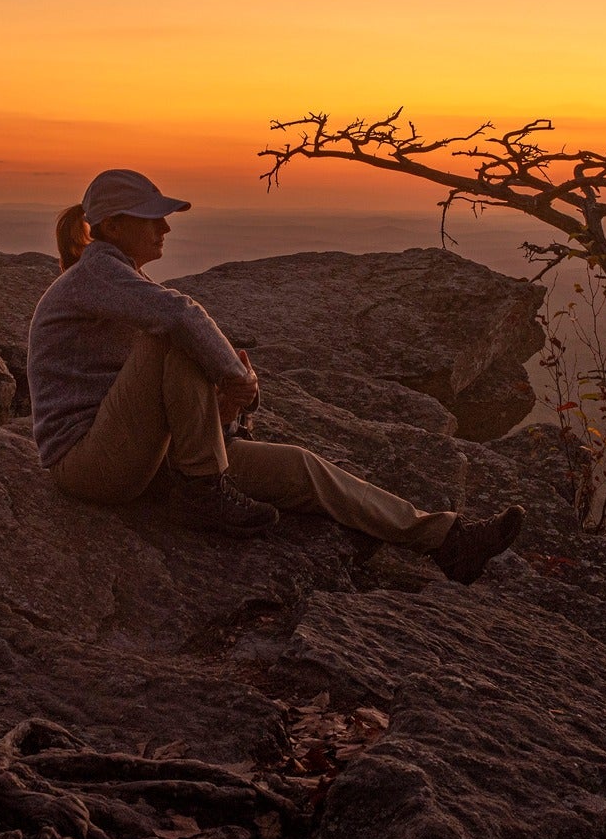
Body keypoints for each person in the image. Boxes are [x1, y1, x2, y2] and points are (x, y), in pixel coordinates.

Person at [26, 168, 524, 583]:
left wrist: (221, 414)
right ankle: (203, 493)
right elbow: (180, 317)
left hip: (144, 456)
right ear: (112, 227)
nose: (166, 229)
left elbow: (157, 395)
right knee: (172, 333)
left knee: (300, 468)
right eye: (153, 218)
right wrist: (236, 379)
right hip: (89, 464)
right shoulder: (96, 275)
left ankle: (445, 539)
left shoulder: (125, 280)